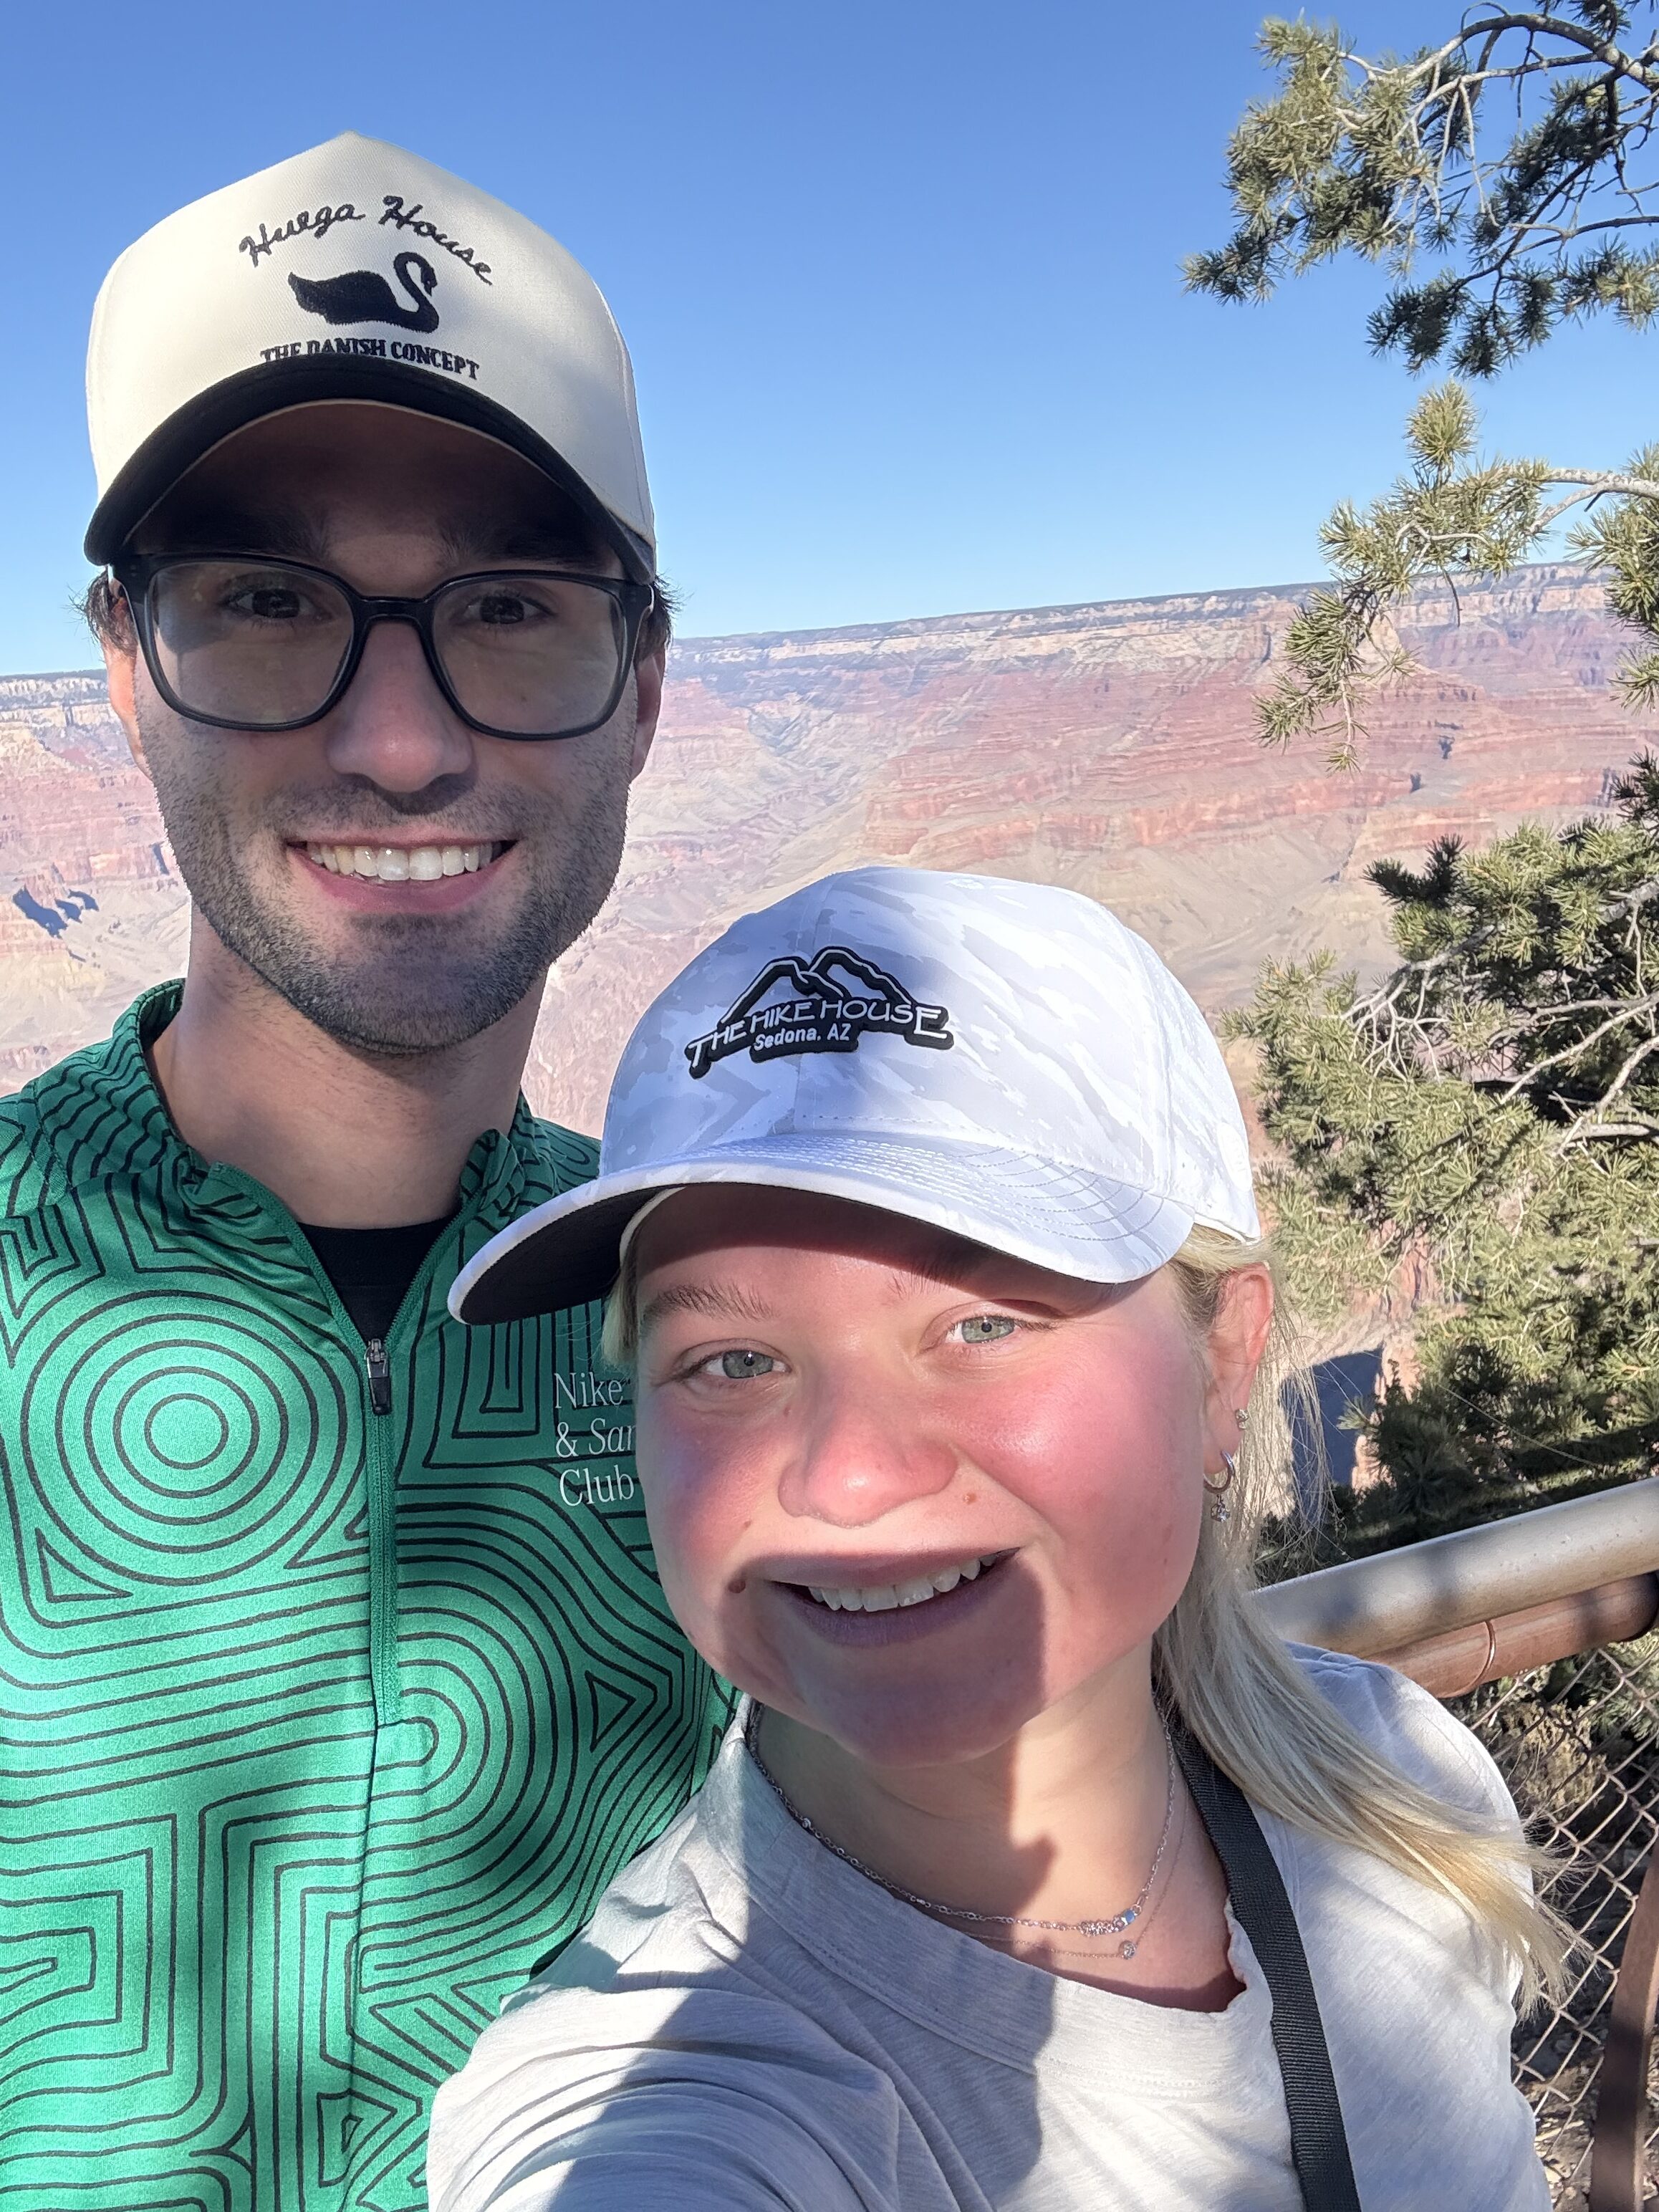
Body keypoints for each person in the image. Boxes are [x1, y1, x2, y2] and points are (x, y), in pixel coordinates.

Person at [0, 136, 734, 2212]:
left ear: (645, 693)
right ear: (128, 666)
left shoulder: (723, 1310)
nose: (401, 745)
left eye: (507, 607)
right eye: (263, 601)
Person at [428, 866, 1557, 2211]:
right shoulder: (671, 2094)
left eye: (982, 1327)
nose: (846, 1478)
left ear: (1223, 1363)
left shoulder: (1400, 1783)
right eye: (733, 1359)